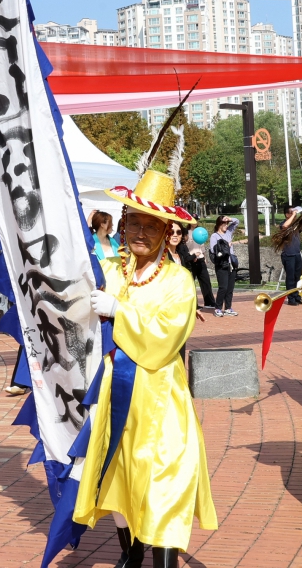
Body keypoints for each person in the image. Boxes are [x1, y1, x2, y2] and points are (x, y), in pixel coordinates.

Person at [75, 168, 216, 567]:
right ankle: (130, 551)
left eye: (150, 225)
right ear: (122, 225)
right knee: (117, 471)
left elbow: (164, 339)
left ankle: (164, 560)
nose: (139, 232)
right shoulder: (111, 272)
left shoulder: (179, 281)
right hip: (114, 394)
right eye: (133, 222)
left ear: (168, 231)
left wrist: (120, 312)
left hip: (159, 398)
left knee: (163, 476)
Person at [209, 215, 240, 318]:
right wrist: (227, 246)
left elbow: (237, 222)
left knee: (230, 288)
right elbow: (214, 250)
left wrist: (229, 219)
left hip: (231, 263)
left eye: (227, 223)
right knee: (223, 287)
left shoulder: (228, 233)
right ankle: (218, 308)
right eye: (224, 223)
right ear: (219, 224)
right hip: (221, 264)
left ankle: (228, 308)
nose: (226, 225)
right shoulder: (215, 236)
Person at [277, 207, 302, 306]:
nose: (294, 214)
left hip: (297, 254)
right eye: (291, 212)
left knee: (297, 277)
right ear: (287, 214)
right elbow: (285, 226)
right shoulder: (283, 224)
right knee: (290, 278)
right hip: (288, 254)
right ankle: (291, 298)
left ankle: (297, 296)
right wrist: (294, 214)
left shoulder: (295, 225)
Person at [182, 228, 215, 310]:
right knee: (191, 284)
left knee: (206, 281)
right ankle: (193, 304)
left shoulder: (201, 231)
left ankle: (210, 302)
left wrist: (204, 257)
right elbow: (185, 254)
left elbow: (202, 247)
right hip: (191, 261)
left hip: (200, 259)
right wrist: (192, 256)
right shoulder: (185, 232)